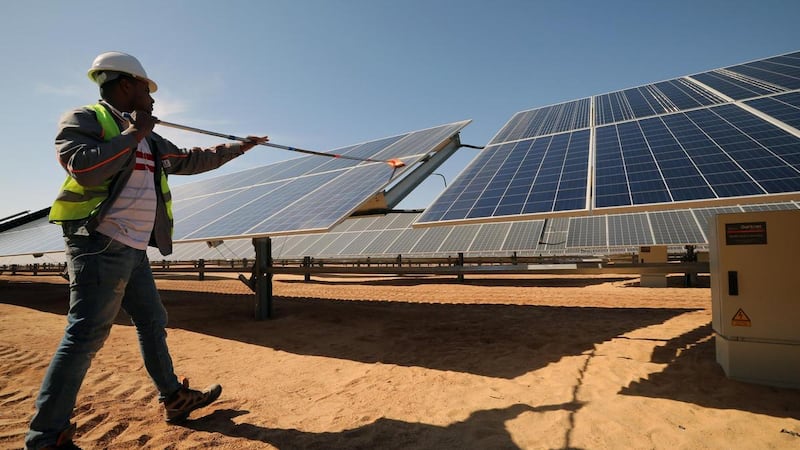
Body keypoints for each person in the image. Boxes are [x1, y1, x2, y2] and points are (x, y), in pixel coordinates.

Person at [25, 51, 268, 450]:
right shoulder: (85, 119)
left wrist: (239, 147)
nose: (152, 99)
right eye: (146, 89)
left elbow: (189, 160)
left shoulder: (150, 138)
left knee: (152, 319)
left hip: (134, 247)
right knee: (85, 334)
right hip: (99, 242)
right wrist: (133, 134)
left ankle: (173, 397)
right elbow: (84, 169)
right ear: (125, 85)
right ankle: (45, 437)